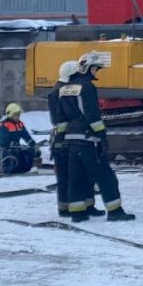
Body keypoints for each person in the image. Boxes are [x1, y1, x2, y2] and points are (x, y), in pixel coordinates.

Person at [58, 52, 135, 223]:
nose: (96, 72)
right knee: (105, 176)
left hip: (71, 140)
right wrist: (101, 136)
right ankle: (115, 211)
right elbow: (91, 115)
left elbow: (62, 117)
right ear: (89, 68)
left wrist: (61, 138)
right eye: (96, 69)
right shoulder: (87, 87)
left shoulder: (64, 89)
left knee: (76, 177)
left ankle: (78, 213)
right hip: (88, 140)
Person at [48, 60, 104, 218]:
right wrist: (62, 139)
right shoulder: (57, 91)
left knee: (80, 175)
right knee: (68, 176)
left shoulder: (65, 88)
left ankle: (85, 206)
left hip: (69, 138)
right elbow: (59, 120)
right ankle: (66, 208)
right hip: (65, 141)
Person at [0, 103, 38, 174]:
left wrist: (33, 144)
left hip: (17, 147)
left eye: (18, 114)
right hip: (6, 148)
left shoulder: (20, 124)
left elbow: (26, 135)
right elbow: (2, 139)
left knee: (28, 154)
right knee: (13, 158)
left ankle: (25, 169)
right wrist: (12, 143)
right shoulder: (3, 125)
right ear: (10, 115)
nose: (18, 117)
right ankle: (8, 169)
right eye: (16, 115)